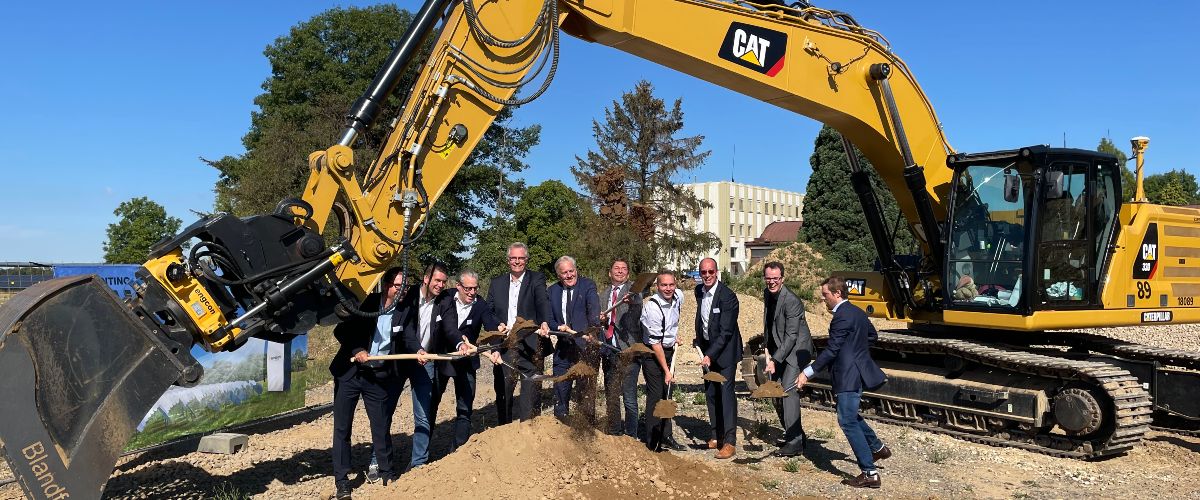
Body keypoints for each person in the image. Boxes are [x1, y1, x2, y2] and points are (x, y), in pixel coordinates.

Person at [796, 276, 892, 489]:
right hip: (856, 373)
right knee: (851, 415)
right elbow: (872, 336)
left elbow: (832, 350)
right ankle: (877, 449)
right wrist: (855, 352)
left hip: (846, 375)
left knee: (847, 421)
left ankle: (870, 473)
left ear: (837, 293)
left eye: (826, 295)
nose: (824, 299)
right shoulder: (857, 312)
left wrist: (807, 373)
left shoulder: (841, 317)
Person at [329, 267, 405, 499]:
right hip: (350, 373)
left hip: (376, 376)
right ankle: (342, 481)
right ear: (387, 285)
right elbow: (341, 330)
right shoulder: (366, 304)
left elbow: (408, 337)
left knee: (381, 425)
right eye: (398, 285)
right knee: (343, 428)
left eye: (406, 286)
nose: (402, 290)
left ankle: (387, 473)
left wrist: (420, 351)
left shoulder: (403, 311)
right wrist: (358, 349)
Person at [428, 270, 502, 451]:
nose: (471, 292)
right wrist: (460, 343)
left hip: (467, 362)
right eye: (467, 288)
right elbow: (449, 327)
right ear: (458, 286)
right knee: (431, 404)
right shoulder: (445, 298)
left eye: (475, 288)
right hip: (443, 358)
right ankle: (422, 452)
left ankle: (458, 451)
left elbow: (491, 328)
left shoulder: (480, 304)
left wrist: (496, 349)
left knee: (464, 408)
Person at [486, 242, 552, 423]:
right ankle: (504, 430)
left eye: (521, 258)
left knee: (530, 393)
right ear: (508, 260)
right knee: (504, 391)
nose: (517, 261)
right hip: (505, 344)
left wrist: (545, 321)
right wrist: (497, 324)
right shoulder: (496, 283)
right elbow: (488, 311)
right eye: (513, 258)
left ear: (526, 259)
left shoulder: (536, 279)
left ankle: (529, 431)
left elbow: (542, 301)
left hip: (530, 344)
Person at [396, 263, 451, 470]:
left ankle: (419, 463)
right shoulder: (408, 296)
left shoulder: (443, 300)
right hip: (401, 359)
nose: (441, 285)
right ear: (426, 279)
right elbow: (407, 329)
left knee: (423, 413)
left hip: (425, 362)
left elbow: (450, 326)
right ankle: (378, 460)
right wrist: (416, 348)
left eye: (444, 282)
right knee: (386, 411)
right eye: (437, 280)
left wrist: (459, 343)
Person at [761, 261, 813, 457]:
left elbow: (791, 336)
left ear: (782, 279)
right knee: (775, 391)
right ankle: (795, 434)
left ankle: (795, 442)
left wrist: (775, 359)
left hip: (796, 350)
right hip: (779, 347)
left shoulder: (791, 301)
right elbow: (768, 321)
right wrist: (767, 346)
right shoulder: (767, 293)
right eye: (768, 279)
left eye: (775, 279)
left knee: (788, 392)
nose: (772, 282)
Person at [694, 257, 742, 460]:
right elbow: (705, 321)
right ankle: (716, 434)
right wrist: (699, 339)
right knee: (711, 393)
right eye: (703, 272)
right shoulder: (699, 292)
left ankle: (730, 441)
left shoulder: (728, 297)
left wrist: (709, 355)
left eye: (710, 272)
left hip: (725, 353)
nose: (706, 276)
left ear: (716, 272)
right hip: (708, 351)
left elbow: (725, 332)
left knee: (726, 394)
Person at [547, 255, 601, 420]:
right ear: (559, 275)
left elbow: (593, 308)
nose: (569, 275)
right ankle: (561, 424)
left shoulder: (588, 285)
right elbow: (548, 318)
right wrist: (557, 327)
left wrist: (592, 330)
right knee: (561, 390)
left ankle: (586, 429)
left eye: (571, 271)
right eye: (565, 272)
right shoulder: (552, 291)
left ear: (576, 270)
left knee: (586, 393)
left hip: (586, 347)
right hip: (563, 350)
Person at [641, 269, 686, 452]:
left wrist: (672, 337)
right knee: (656, 395)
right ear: (657, 286)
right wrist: (667, 371)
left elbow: (672, 323)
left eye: (671, 285)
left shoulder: (679, 297)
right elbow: (655, 343)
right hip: (652, 354)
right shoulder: (652, 307)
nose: (668, 289)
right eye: (663, 285)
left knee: (667, 394)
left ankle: (666, 435)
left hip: (669, 350)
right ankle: (652, 440)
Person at [599, 259, 643, 436]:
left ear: (628, 274)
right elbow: (601, 320)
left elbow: (638, 301)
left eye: (624, 269)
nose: (620, 271)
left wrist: (632, 300)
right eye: (616, 268)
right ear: (610, 273)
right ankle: (615, 431)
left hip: (629, 350)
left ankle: (631, 434)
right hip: (610, 350)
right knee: (611, 395)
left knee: (630, 398)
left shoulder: (633, 291)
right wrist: (601, 320)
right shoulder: (603, 295)